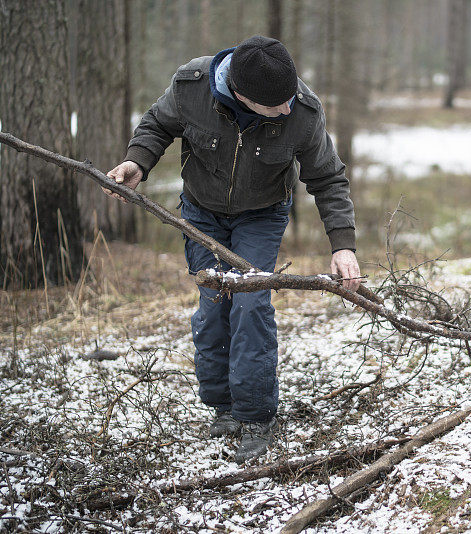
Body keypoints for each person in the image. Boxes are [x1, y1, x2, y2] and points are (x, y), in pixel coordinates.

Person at [105, 36, 360, 463]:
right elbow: (157, 124)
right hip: (201, 213)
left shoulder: (302, 110)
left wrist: (343, 246)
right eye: (275, 106)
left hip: (261, 216)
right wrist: (138, 161)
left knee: (251, 305)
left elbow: (328, 179)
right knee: (214, 304)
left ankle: (257, 416)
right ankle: (222, 406)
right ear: (241, 95)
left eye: (288, 99)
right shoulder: (192, 86)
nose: (286, 109)